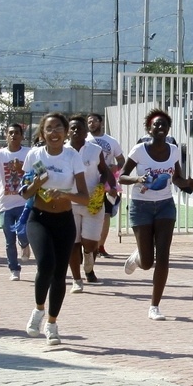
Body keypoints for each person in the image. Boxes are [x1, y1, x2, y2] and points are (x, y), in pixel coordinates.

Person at [118, 108, 193, 320]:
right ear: (149, 129)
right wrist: (137, 179)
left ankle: (155, 306)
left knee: (163, 255)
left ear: (168, 129)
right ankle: (137, 257)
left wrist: (188, 183)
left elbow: (177, 179)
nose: (160, 128)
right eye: (156, 125)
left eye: (164, 125)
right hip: (141, 205)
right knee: (147, 262)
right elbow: (122, 177)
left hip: (165, 206)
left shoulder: (173, 151)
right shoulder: (139, 150)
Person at [18, 113, 89, 346]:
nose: (54, 132)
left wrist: (64, 194)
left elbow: (85, 198)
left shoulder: (73, 157)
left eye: (59, 127)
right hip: (38, 218)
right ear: (42, 133)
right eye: (49, 128)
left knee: (60, 274)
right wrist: (37, 183)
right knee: (45, 265)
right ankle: (38, 310)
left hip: (64, 221)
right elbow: (24, 192)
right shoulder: (34, 156)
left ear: (66, 132)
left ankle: (52, 324)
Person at [66, 115, 110, 290]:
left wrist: (102, 185)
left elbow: (104, 171)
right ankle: (77, 280)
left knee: (90, 243)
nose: (76, 131)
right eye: (73, 128)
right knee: (73, 242)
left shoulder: (95, 149)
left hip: (93, 202)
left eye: (79, 128)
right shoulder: (63, 150)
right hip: (70, 203)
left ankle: (89, 256)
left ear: (86, 131)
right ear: (68, 131)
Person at [0, 123, 31, 280]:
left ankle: (25, 244)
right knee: (9, 239)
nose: (13, 135)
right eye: (10, 133)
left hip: (24, 202)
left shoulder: (29, 153)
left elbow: (36, 172)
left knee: (23, 232)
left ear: (22, 136)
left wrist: (22, 170)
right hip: (5, 204)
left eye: (17, 133)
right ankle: (14, 269)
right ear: (6, 135)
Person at [87, 113, 124, 258]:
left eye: (94, 121)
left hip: (106, 181)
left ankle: (100, 247)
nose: (91, 124)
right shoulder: (84, 140)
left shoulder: (111, 141)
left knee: (106, 214)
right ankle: (88, 246)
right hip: (89, 180)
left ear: (101, 122)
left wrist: (116, 167)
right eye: (89, 121)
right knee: (87, 212)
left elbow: (122, 160)